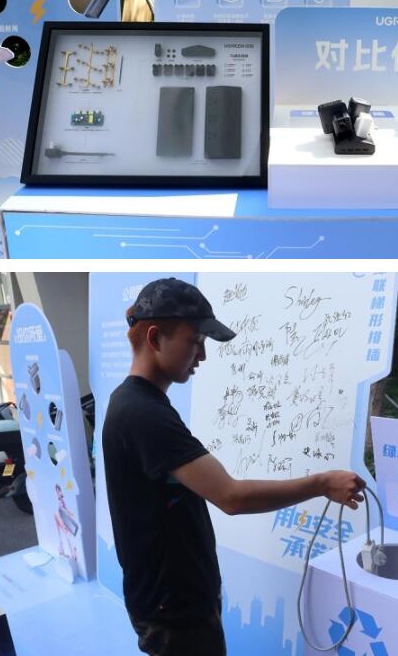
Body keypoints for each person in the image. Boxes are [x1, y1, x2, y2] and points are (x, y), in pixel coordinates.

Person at [102, 277, 366, 656]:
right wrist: (322, 483)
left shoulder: (137, 403)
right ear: (155, 337)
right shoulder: (143, 414)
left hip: (173, 600)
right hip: (174, 611)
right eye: (195, 341)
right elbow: (232, 496)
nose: (202, 355)